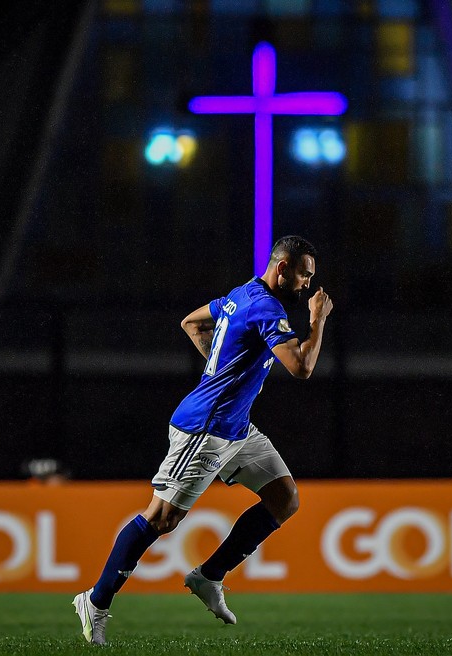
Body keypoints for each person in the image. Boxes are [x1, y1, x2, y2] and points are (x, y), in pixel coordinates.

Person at [73, 235, 333, 645]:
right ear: (282, 268)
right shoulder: (267, 307)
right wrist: (317, 321)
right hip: (206, 428)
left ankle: (209, 576)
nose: (307, 284)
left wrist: (219, 363)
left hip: (237, 428)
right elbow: (301, 368)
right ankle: (95, 600)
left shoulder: (241, 293)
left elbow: (192, 322)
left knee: (285, 499)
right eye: (304, 274)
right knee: (161, 518)